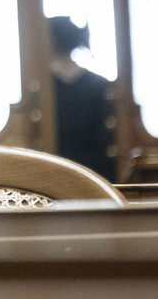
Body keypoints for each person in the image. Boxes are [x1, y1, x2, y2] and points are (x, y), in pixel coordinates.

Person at [47, 16, 116, 181]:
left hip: (56, 171)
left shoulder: (44, 88)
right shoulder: (99, 83)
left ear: (54, 40)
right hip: (98, 175)